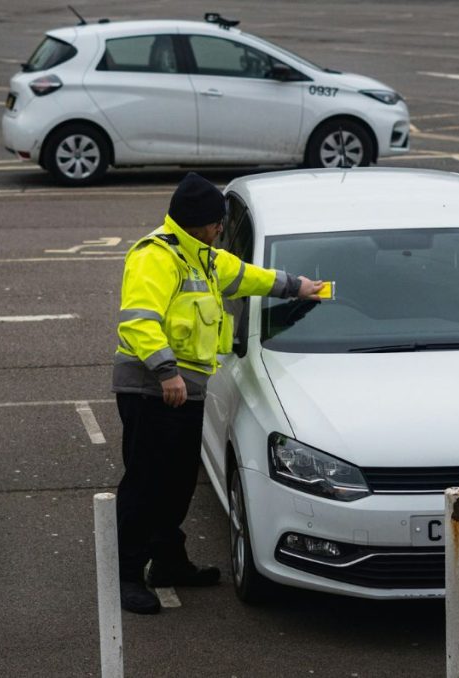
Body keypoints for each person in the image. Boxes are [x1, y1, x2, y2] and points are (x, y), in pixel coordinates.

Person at [111, 172, 324, 614]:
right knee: (145, 485)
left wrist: (298, 287)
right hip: (151, 391)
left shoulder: (203, 257)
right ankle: (127, 576)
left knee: (176, 485)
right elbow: (138, 321)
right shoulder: (156, 257)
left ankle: (169, 562)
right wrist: (165, 372)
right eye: (216, 222)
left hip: (184, 392)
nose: (221, 229)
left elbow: (247, 276)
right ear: (196, 223)